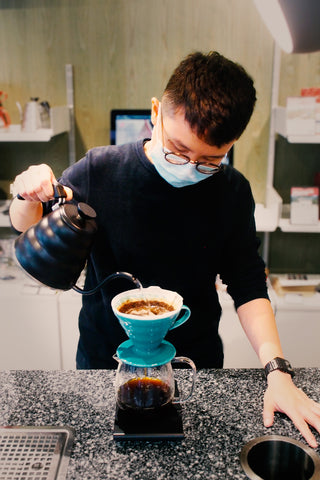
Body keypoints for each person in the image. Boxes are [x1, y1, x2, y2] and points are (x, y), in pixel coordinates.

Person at [10, 51, 320, 447]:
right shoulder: (98, 170)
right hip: (105, 366)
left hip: (192, 369)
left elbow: (247, 284)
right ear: (156, 112)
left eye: (209, 161)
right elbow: (27, 224)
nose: (189, 167)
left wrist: (277, 371)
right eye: (176, 149)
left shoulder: (231, 192)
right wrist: (26, 190)